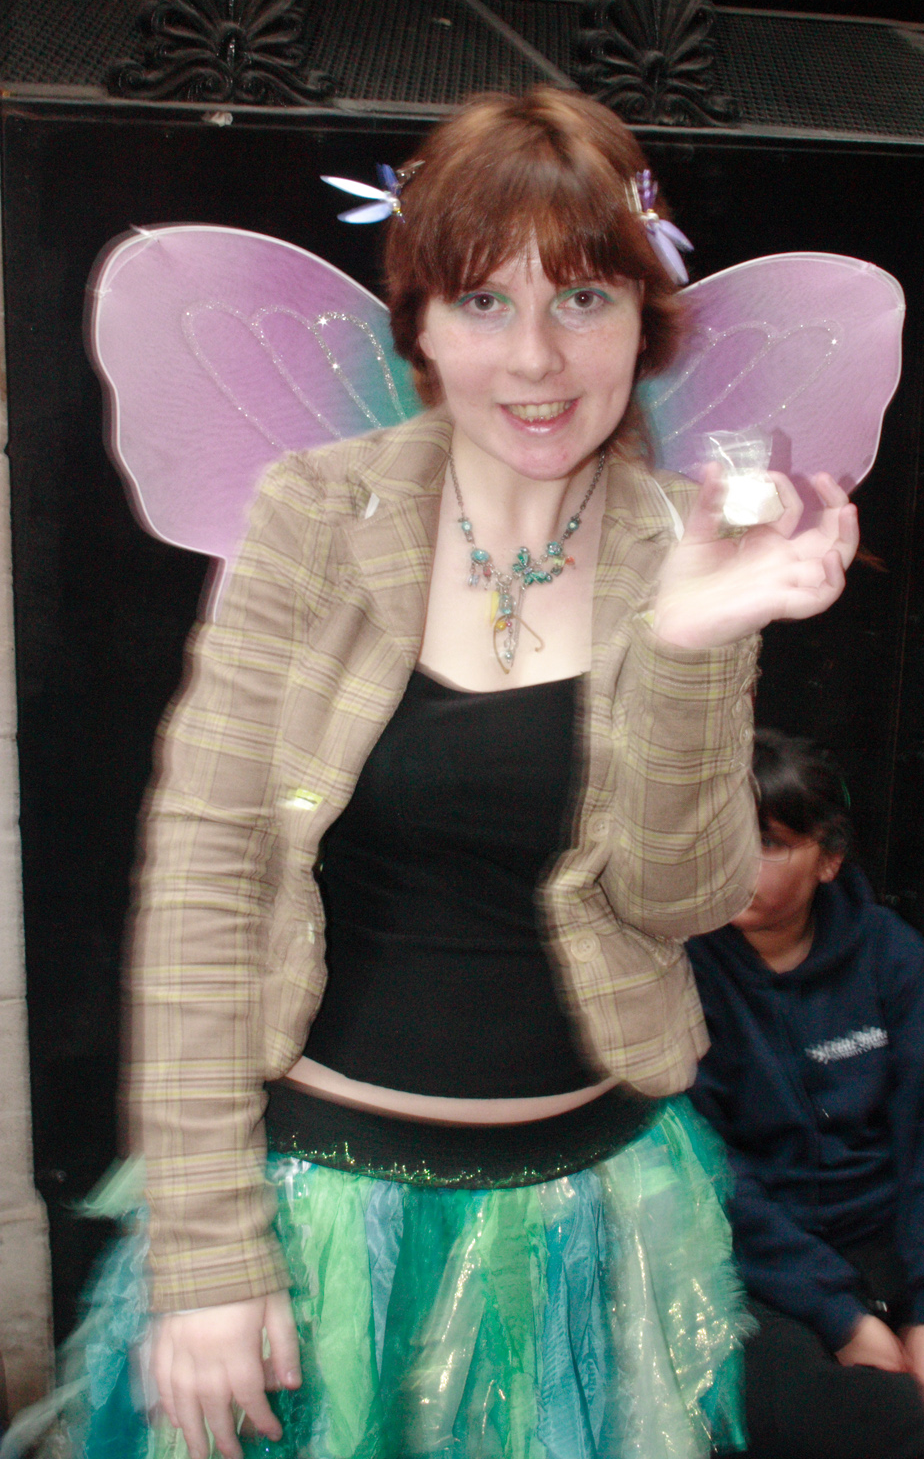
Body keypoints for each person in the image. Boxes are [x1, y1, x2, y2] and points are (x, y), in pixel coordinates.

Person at [39, 90, 857, 1459]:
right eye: (482, 303)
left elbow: (682, 895)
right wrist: (204, 1257)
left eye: (585, 299)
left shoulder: (687, 536)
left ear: (643, 321)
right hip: (313, 1221)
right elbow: (203, 886)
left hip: (587, 1222)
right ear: (414, 324)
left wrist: (693, 643)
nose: (536, 358)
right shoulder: (315, 514)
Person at [687, 728, 924, 1459]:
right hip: (769, 1270)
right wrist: (844, 1319)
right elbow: (710, 1180)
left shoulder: (889, 954)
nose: (739, 863)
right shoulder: (678, 971)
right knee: (762, 1399)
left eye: (772, 843)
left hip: (895, 1228)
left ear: (829, 858)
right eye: (723, 838)